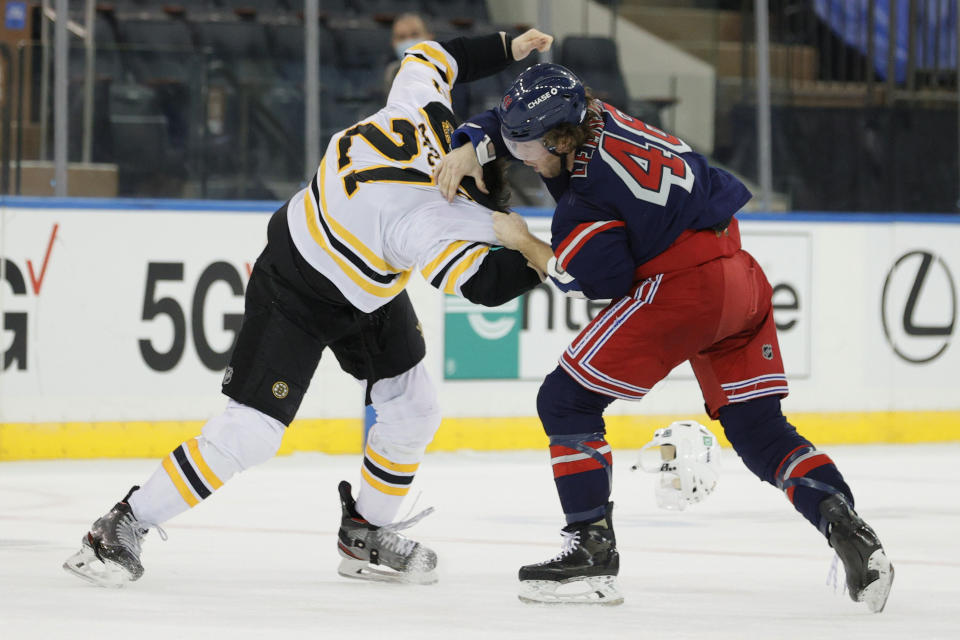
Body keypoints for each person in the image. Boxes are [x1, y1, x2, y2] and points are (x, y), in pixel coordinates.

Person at [63, 28, 553, 588]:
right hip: (295, 286)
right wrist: (535, 249)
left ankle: (365, 532)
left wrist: (508, 45)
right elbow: (484, 285)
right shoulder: (433, 216)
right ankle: (121, 524)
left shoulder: (420, 108)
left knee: (413, 407)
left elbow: (436, 54)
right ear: (467, 183)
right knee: (252, 431)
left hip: (365, 283)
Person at [433, 63, 894, 609]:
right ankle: (846, 523)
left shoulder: (585, 197)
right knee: (759, 429)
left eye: (526, 145)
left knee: (565, 399)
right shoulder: (600, 114)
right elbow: (523, 110)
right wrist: (472, 143)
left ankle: (590, 550)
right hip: (740, 275)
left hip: (684, 290)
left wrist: (524, 241)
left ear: (561, 139)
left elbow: (591, 281)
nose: (517, 153)